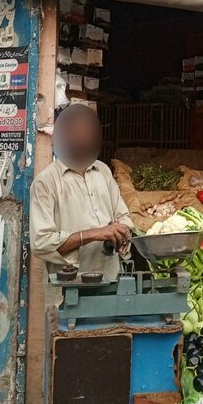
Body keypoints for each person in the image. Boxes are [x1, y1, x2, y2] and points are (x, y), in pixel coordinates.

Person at [30, 103, 133, 279]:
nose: (82, 137)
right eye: (75, 132)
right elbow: (41, 242)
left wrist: (121, 232)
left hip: (110, 278)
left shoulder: (103, 171)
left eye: (87, 132)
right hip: (71, 285)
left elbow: (124, 216)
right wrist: (94, 234)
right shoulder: (46, 182)